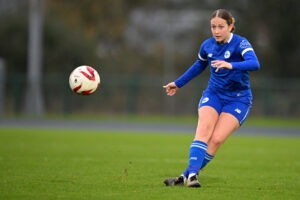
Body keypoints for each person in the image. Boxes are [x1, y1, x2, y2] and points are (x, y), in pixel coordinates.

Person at [163, 9, 260, 188]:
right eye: (213, 27)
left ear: (231, 26)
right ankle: (192, 176)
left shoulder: (240, 43)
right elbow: (198, 66)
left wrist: (231, 65)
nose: (216, 31)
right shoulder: (207, 45)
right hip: (213, 95)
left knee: (216, 140)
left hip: (238, 99)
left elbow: (255, 63)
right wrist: (178, 83)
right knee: (204, 131)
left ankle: (185, 175)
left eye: (221, 27)